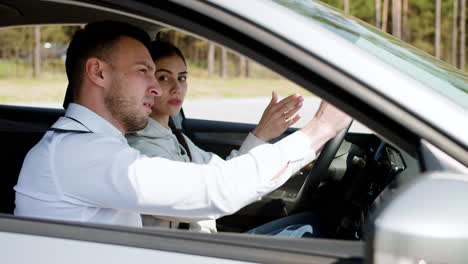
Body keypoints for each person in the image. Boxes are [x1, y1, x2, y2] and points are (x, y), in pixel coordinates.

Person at [14, 21, 351, 230]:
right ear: (98, 73)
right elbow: (214, 189)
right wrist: (318, 129)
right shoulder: (79, 154)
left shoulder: (89, 145)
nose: (156, 88)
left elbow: (214, 180)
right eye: (144, 71)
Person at [126, 38, 304, 233]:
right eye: (164, 77)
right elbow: (211, 198)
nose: (177, 88)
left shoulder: (176, 138)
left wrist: (263, 134)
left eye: (182, 77)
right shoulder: (141, 149)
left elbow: (227, 175)